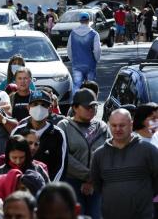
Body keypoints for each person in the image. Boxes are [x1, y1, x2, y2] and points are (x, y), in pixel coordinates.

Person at [91, 109, 158, 219]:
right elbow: (97, 184)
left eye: (122, 125)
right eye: (114, 125)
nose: (117, 129)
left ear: (131, 125)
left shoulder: (148, 151)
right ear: (108, 125)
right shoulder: (99, 154)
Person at [57, 88, 109, 218]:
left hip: (97, 184)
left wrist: (93, 179)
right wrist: (88, 176)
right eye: (87, 107)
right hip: (72, 182)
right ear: (75, 107)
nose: (91, 110)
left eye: (94, 106)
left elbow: (109, 154)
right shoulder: (64, 126)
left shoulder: (102, 127)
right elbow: (64, 156)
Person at [13, 90, 67, 181]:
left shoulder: (58, 134)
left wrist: (50, 189)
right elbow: (10, 159)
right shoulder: (18, 131)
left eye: (43, 105)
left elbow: (61, 166)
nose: (39, 108)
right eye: (35, 104)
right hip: (20, 186)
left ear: (50, 108)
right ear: (28, 107)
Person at [67, 12, 101, 94]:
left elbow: (69, 49)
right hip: (90, 64)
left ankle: (76, 104)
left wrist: (73, 59)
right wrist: (96, 60)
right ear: (88, 20)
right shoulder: (94, 34)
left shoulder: (73, 33)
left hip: (77, 64)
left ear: (80, 21)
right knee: (90, 86)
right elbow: (97, 50)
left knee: (77, 85)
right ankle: (90, 103)